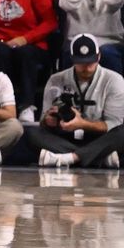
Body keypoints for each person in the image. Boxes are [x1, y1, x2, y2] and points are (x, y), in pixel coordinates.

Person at [29, 34, 124, 168]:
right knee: (33, 134)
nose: (86, 67)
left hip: (100, 137)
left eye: (90, 62)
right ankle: (98, 158)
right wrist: (48, 120)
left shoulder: (114, 80)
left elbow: (114, 124)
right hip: (66, 136)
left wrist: (82, 124)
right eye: (81, 62)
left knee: (122, 133)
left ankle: (71, 158)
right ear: (72, 59)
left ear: (99, 57)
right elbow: (43, 121)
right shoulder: (56, 80)